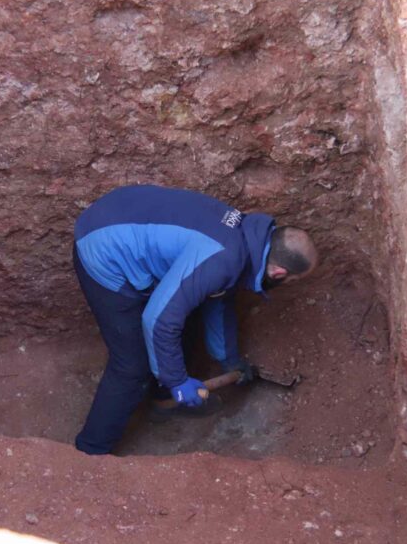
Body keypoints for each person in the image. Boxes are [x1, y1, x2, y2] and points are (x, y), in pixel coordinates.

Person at [72, 184, 318, 455]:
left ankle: (163, 401)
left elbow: (219, 300)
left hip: (123, 215)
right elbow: (158, 320)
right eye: (291, 281)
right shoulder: (223, 258)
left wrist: (229, 360)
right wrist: (177, 381)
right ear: (279, 273)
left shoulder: (246, 240)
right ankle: (90, 451)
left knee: (187, 315)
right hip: (104, 249)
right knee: (132, 366)